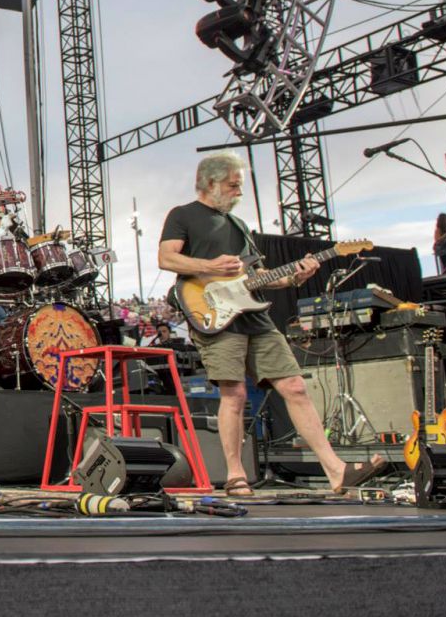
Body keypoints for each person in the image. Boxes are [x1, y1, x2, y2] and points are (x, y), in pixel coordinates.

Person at [158, 151, 386, 496]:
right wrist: (209, 266)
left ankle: (336, 471)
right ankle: (235, 475)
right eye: (233, 185)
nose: (239, 192)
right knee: (234, 394)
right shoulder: (183, 215)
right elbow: (166, 258)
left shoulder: (238, 225)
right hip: (214, 314)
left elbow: (259, 275)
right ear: (211, 183)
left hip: (254, 315)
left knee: (295, 386)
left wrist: (295, 277)